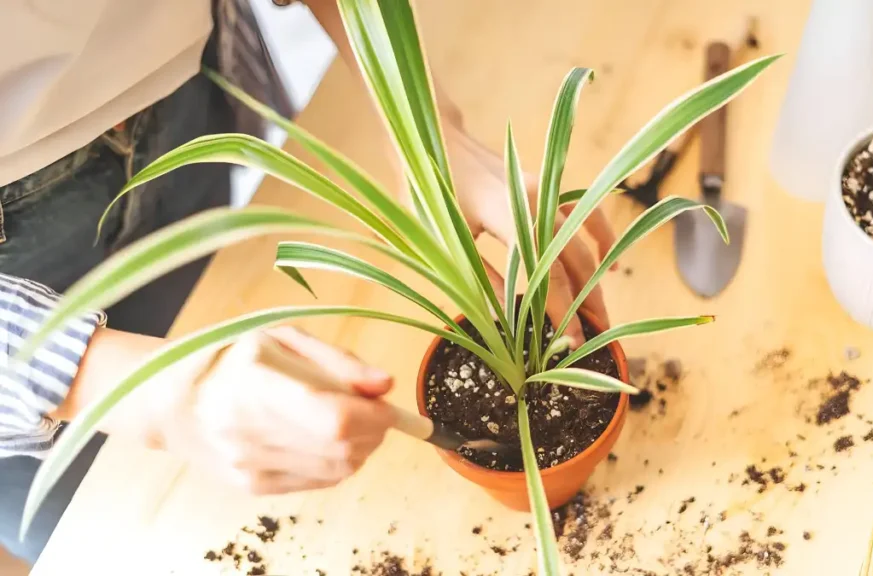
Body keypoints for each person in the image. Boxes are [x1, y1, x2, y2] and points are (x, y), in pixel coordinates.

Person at [0, 0, 616, 563]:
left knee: (218, 309)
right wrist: (155, 398)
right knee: (111, 537)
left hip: (183, 98)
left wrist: (423, 129)